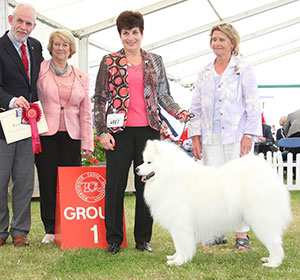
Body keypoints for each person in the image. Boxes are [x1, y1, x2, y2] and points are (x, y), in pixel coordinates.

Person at [94, 10, 190, 254]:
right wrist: (102, 132)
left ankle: (142, 239)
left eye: (134, 32)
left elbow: (164, 95)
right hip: (119, 132)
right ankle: (114, 240)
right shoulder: (109, 61)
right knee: (114, 185)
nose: (130, 37)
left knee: (146, 186)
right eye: (125, 33)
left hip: (149, 131)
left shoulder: (154, 60)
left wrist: (179, 112)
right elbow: (100, 99)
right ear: (120, 35)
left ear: (142, 33)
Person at [188, 22, 261, 250]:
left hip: (237, 136)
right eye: (214, 39)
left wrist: (249, 134)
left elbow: (252, 103)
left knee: (238, 186)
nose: (217, 43)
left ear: (232, 42)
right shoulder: (204, 72)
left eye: (221, 39)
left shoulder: (244, 68)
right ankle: (216, 232)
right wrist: (195, 136)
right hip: (211, 138)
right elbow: (196, 106)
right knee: (213, 186)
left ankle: (242, 233)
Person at [35, 29, 93, 244]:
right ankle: (50, 228)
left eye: (65, 45)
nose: (60, 48)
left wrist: (87, 141)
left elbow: (86, 111)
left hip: (72, 136)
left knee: (70, 183)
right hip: (45, 134)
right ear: (51, 47)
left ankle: (70, 225)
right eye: (57, 44)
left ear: (71, 49)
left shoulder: (81, 76)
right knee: (48, 181)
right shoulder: (40, 69)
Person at [0, 3, 43, 247]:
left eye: (28, 23)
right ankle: (0, 230)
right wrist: (11, 100)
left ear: (34, 26)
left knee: (25, 181)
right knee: (0, 180)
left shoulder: (36, 47)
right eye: (20, 21)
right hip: (2, 126)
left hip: (28, 126)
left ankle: (20, 231)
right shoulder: (0, 47)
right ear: (10, 19)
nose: (24, 27)